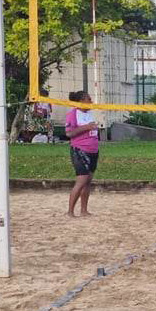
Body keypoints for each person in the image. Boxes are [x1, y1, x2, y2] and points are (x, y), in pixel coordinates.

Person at [64, 90, 102, 218]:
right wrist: (86, 127)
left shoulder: (89, 113)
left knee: (88, 181)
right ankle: (70, 212)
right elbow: (69, 133)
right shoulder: (72, 114)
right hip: (80, 150)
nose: (91, 101)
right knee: (81, 181)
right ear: (81, 101)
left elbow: (91, 129)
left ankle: (84, 210)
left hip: (93, 150)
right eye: (89, 99)